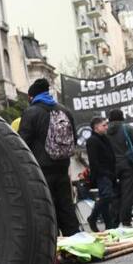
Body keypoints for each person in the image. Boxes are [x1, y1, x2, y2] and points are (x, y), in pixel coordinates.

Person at [18, 78, 79, 236]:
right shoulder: (64, 111)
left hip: (41, 168)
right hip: (62, 165)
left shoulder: (31, 112)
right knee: (66, 205)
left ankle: (53, 240)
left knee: (47, 206)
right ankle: (74, 238)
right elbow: (74, 138)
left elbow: (22, 142)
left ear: (31, 96)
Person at [106, 109, 133, 227]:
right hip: (128, 164)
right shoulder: (127, 128)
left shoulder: (106, 131)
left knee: (115, 194)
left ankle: (114, 221)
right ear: (122, 117)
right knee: (128, 193)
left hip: (112, 166)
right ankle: (125, 220)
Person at [85, 116, 116, 232]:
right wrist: (102, 173)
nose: (106, 127)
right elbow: (94, 161)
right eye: (104, 125)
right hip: (102, 174)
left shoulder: (105, 139)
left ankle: (109, 225)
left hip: (110, 173)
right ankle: (93, 217)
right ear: (96, 127)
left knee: (106, 199)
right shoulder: (92, 141)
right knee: (107, 196)